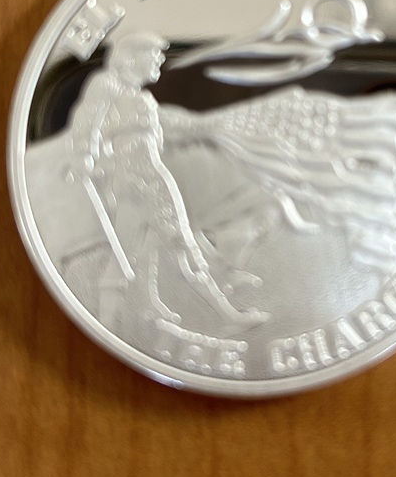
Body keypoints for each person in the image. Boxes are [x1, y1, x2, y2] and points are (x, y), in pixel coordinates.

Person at [69, 32, 258, 329]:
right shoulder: (108, 85)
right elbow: (88, 120)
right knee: (183, 245)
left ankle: (114, 323)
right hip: (146, 180)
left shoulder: (141, 96)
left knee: (134, 254)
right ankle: (228, 317)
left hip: (138, 180)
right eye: (153, 54)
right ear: (132, 57)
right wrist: (85, 154)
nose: (159, 60)